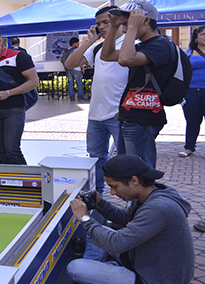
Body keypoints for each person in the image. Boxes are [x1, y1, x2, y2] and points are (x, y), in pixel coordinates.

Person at [67, 154, 194, 284]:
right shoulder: (150, 194)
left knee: (75, 267)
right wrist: (100, 203)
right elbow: (126, 219)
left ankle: (98, 276)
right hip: (143, 259)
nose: (113, 192)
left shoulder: (158, 208)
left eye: (114, 186)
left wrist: (84, 218)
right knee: (97, 232)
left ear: (134, 180)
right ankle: (98, 275)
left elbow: (116, 244)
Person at [100, 0, 175, 169]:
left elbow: (126, 60)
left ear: (146, 21)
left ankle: (148, 197)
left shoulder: (161, 45)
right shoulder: (143, 45)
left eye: (127, 24)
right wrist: (113, 27)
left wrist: (133, 29)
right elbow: (106, 55)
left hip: (144, 118)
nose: (125, 29)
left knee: (140, 171)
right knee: (129, 170)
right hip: (131, 115)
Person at [64, 6, 128, 195]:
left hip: (120, 114)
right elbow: (70, 64)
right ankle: (97, 201)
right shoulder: (98, 46)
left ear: (121, 24)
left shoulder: (131, 43)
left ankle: (131, 208)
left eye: (106, 22)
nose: (100, 27)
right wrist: (89, 41)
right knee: (95, 160)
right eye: (98, 23)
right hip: (96, 115)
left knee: (126, 161)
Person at [0, 24, 39, 164]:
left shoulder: (19, 57)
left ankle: (25, 183)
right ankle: (7, 182)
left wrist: (8, 93)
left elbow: (34, 82)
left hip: (15, 108)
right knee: (0, 149)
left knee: (12, 149)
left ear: (0, 41)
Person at [178, 25, 205, 158]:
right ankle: (189, 148)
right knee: (192, 121)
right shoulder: (187, 53)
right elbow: (180, 72)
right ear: (196, 37)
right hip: (191, 92)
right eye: (203, 34)